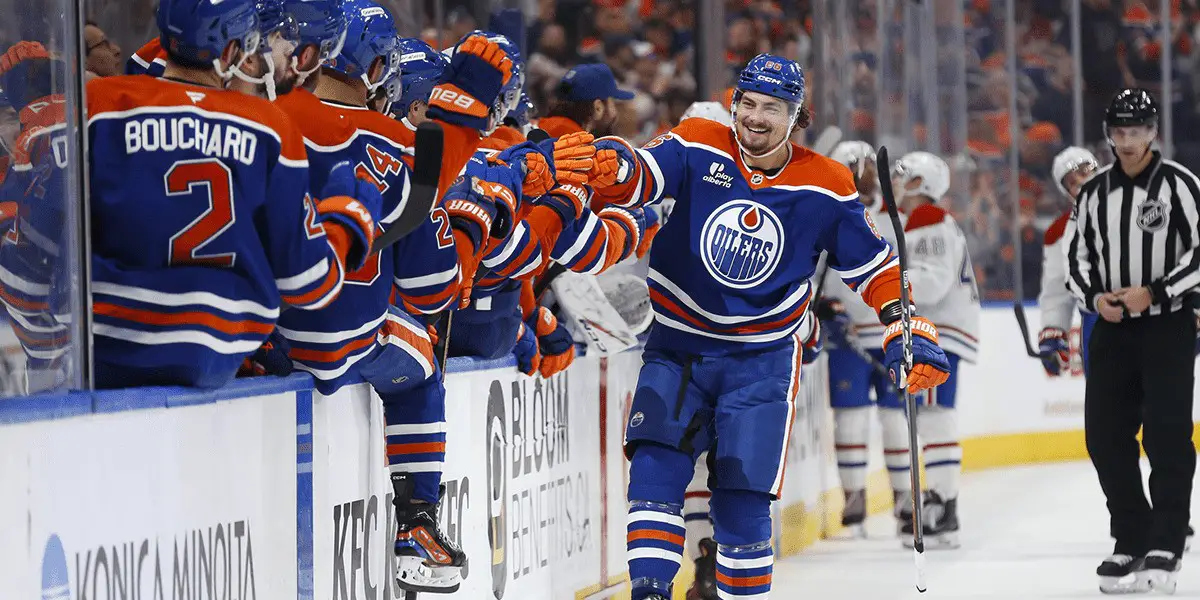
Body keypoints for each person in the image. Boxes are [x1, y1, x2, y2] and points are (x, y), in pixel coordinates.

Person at [588, 53, 951, 600]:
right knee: (655, 476)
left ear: (796, 115)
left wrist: (904, 319)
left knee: (743, 498)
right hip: (677, 349)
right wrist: (613, 167)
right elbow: (642, 173)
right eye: (748, 104)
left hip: (759, 364)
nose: (755, 118)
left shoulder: (826, 183)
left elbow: (874, 266)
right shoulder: (696, 142)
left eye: (772, 109)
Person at [270, 2, 516, 593]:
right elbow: (431, 287)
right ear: (377, 66)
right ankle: (416, 525)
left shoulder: (268, 117)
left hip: (265, 335)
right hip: (352, 336)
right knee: (421, 367)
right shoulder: (397, 144)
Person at [76, 0, 383, 389]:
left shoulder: (99, 101)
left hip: (108, 343)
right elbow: (308, 281)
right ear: (232, 52)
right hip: (216, 348)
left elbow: (46, 242)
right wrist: (348, 223)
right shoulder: (268, 126)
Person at [1066, 88, 1200, 594]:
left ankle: (1166, 539)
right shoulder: (1094, 192)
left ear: (1154, 132)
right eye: (1120, 131)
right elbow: (1075, 258)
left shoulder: (1182, 186)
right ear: (1108, 134)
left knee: (1166, 434)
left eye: (1138, 130)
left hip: (1167, 325)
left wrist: (1157, 292)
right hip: (1113, 327)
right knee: (1103, 436)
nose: (1128, 141)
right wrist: (1096, 298)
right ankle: (1130, 534)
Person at [812, 140, 917, 539]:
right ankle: (853, 497)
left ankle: (905, 498)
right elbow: (811, 272)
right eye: (864, 166)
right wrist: (820, 304)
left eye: (871, 166)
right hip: (847, 336)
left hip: (889, 330)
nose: (870, 172)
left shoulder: (892, 217)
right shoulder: (826, 217)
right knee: (851, 421)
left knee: (895, 420)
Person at [889, 150, 982, 549]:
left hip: (937, 330)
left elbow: (930, 283)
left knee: (934, 416)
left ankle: (944, 504)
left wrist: (886, 285)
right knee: (932, 415)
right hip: (943, 327)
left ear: (918, 184)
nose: (894, 183)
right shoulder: (926, 221)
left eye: (902, 176)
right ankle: (942, 501)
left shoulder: (927, 220)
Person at [1037, 146, 1099, 378]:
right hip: (1098, 320)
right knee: (1107, 406)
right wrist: (1053, 332)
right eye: (1072, 182)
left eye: (1085, 171)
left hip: (1148, 313)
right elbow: (1056, 289)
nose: (1082, 182)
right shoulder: (1061, 232)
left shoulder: (1136, 206)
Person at [538, 63, 633, 138]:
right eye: (613, 102)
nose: (615, 113)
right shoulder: (579, 148)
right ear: (598, 108)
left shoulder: (541, 128)